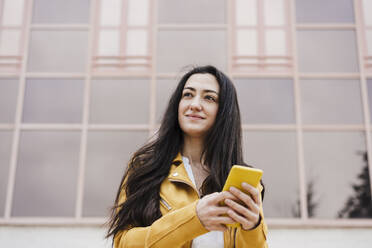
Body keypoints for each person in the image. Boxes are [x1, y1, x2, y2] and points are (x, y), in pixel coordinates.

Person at [106, 65, 268, 247]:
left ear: (224, 112)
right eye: (188, 95)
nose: (195, 105)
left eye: (209, 97)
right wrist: (193, 220)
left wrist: (253, 228)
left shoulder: (241, 182)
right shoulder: (144, 167)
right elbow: (122, 243)